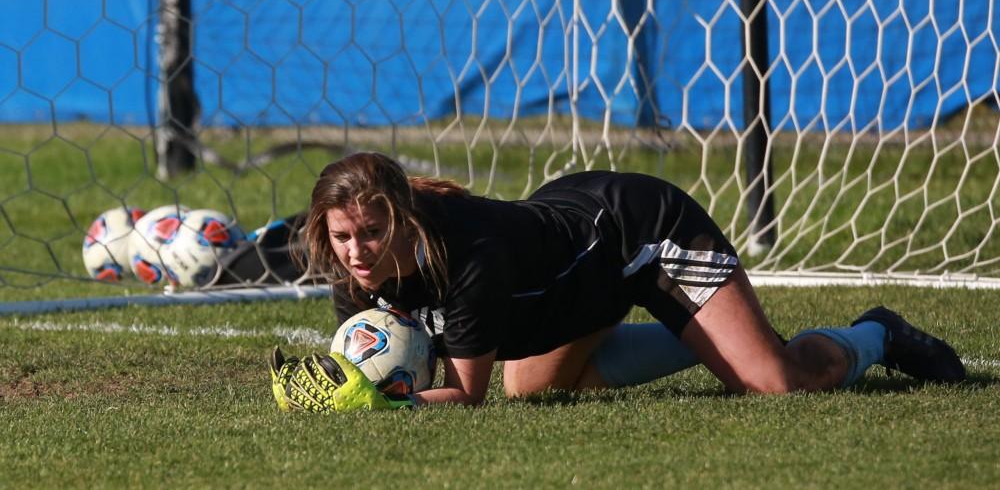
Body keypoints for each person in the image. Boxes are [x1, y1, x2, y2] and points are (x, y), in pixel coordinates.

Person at [269, 152, 965, 412]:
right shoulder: (350, 274)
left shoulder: (468, 259)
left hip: (637, 233)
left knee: (776, 381)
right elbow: (372, 354)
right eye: (343, 236)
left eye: (371, 233)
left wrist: (389, 404)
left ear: (402, 217)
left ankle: (879, 332)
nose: (358, 251)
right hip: (575, 268)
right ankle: (707, 336)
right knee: (535, 387)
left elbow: (465, 394)